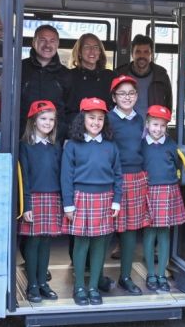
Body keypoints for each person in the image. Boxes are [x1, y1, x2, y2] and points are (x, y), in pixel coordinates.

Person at [61, 97, 122, 306]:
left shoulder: (111, 146)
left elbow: (118, 175)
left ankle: (94, 286)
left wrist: (116, 201)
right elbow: (66, 177)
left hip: (105, 199)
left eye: (100, 118)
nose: (95, 122)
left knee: (99, 245)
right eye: (91, 117)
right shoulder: (73, 146)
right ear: (82, 119)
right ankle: (79, 287)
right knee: (81, 244)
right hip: (80, 199)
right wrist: (68, 204)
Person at [107, 75, 149, 295]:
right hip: (112, 179)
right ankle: (92, 275)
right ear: (114, 96)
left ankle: (125, 276)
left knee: (131, 230)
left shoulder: (139, 119)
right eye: (121, 93)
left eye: (131, 93)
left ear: (136, 96)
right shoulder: (106, 119)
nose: (127, 97)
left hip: (135, 177)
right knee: (103, 230)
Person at [18, 100, 62, 304]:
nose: (47, 123)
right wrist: (26, 205)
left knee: (46, 241)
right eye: (43, 118)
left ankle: (43, 282)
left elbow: (60, 174)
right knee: (33, 242)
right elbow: (24, 177)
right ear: (34, 121)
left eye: (51, 119)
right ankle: (32, 283)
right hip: (34, 197)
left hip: (52, 197)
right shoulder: (25, 145)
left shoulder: (55, 146)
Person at [141, 105, 185, 292]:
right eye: (154, 124)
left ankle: (161, 274)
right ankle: (150, 273)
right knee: (149, 233)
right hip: (148, 190)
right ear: (147, 124)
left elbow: (177, 165)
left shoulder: (171, 145)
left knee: (164, 233)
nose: (157, 129)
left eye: (162, 125)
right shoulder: (141, 145)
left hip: (167, 191)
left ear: (167, 126)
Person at [21, 25, 72, 141]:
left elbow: (70, 110)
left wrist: (62, 134)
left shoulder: (66, 75)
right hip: (21, 138)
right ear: (34, 42)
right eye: (42, 40)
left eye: (52, 41)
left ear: (58, 44)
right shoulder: (19, 69)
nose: (47, 45)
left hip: (55, 140)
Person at [115, 34, 172, 116]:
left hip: (153, 127)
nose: (142, 56)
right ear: (132, 53)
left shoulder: (161, 75)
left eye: (146, 52)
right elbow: (112, 103)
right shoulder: (120, 74)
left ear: (151, 54)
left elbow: (168, 104)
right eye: (138, 52)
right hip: (124, 127)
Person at [65, 33, 115, 124]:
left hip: (104, 130)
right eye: (87, 47)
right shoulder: (69, 76)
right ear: (79, 52)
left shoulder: (110, 76)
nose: (92, 51)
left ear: (100, 52)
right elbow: (65, 111)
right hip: (76, 129)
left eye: (96, 47)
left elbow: (116, 108)